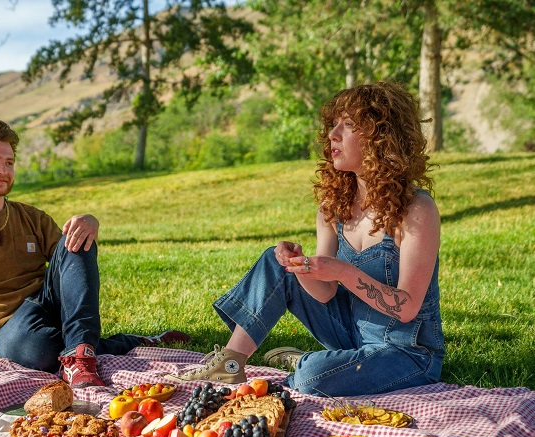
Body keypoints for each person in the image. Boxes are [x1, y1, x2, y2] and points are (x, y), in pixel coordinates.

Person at [168, 82, 444, 397]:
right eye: (334, 125)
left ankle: (315, 364)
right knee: (276, 260)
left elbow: (406, 308)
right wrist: (302, 266)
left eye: (348, 125)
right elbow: (325, 294)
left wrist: (340, 271)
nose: (332, 135)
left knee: (310, 377)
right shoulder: (335, 205)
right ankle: (229, 364)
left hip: (407, 353)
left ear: (381, 137)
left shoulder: (416, 210)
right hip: (350, 333)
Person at [0, 117, 189, 388]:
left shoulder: (32, 216)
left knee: (77, 236)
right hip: (5, 325)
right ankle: (125, 343)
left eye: (9, 162)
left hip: (48, 302)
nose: (4, 170)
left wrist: (89, 222)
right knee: (39, 353)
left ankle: (80, 357)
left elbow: (70, 262)